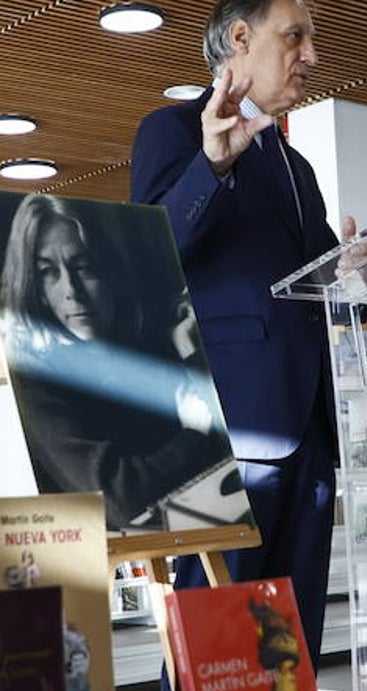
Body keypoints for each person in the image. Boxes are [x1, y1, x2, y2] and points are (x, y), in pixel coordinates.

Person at [130, 0, 356, 691]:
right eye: (294, 36)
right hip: (219, 431)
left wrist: (355, 264)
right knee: (209, 635)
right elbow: (151, 253)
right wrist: (213, 165)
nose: (311, 55)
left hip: (309, 434)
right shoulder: (171, 129)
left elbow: (313, 273)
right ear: (237, 41)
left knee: (288, 640)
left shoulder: (296, 167)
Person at [0, 194, 228, 529]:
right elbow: (120, 496)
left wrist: (190, 354)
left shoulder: (144, 345)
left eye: (83, 267)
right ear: (34, 288)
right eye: (49, 272)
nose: (71, 290)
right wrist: (199, 433)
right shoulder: (34, 378)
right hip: (84, 560)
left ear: (111, 271)